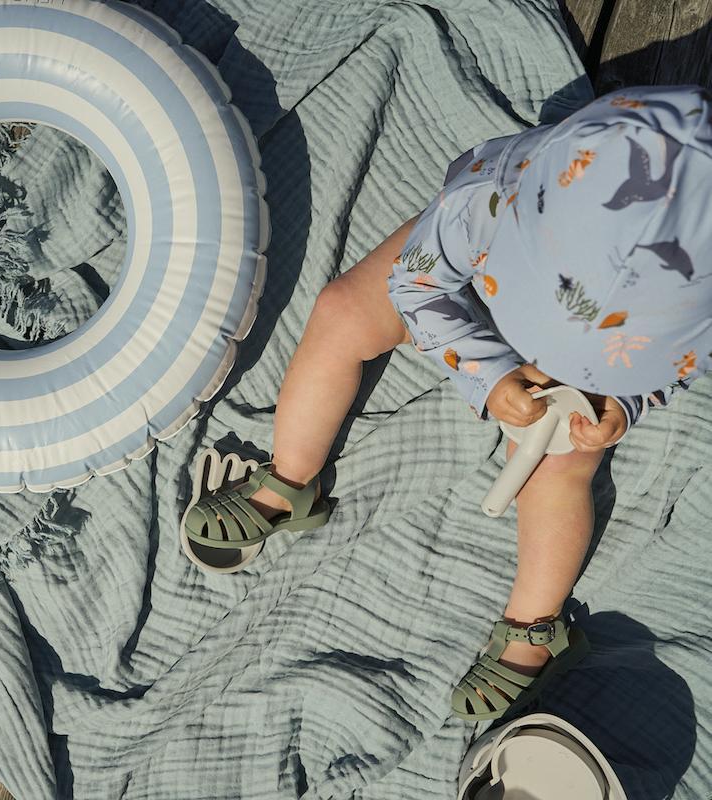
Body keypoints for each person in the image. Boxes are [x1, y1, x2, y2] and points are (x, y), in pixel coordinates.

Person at [182, 84, 712, 720]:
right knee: (344, 312)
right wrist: (487, 375)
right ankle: (290, 479)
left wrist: (621, 408)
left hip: (597, 345)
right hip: (464, 284)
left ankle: (533, 624)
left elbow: (669, 370)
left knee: (564, 463)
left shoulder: (692, 319)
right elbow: (418, 282)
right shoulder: (491, 200)